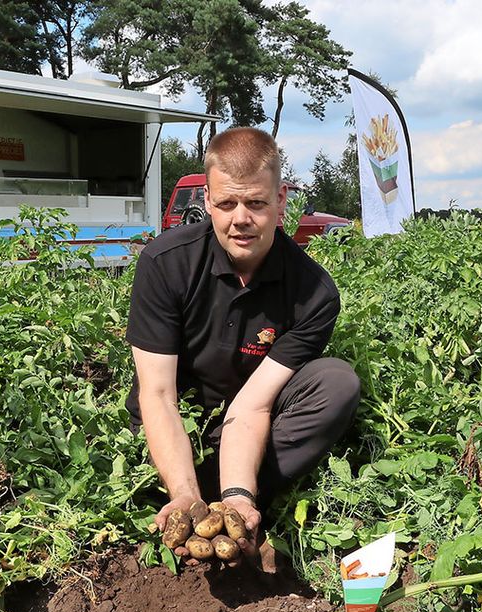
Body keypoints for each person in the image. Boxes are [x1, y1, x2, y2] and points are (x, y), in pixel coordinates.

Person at [126, 127, 360, 567]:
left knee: (336, 382)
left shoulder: (313, 293)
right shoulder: (165, 264)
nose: (241, 219)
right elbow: (157, 394)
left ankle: (241, 505)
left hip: (258, 420)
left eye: (256, 203)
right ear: (209, 202)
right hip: (181, 421)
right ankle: (189, 493)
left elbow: (251, 407)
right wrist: (184, 495)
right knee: (159, 421)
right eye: (227, 203)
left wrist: (236, 496)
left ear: (281, 203)